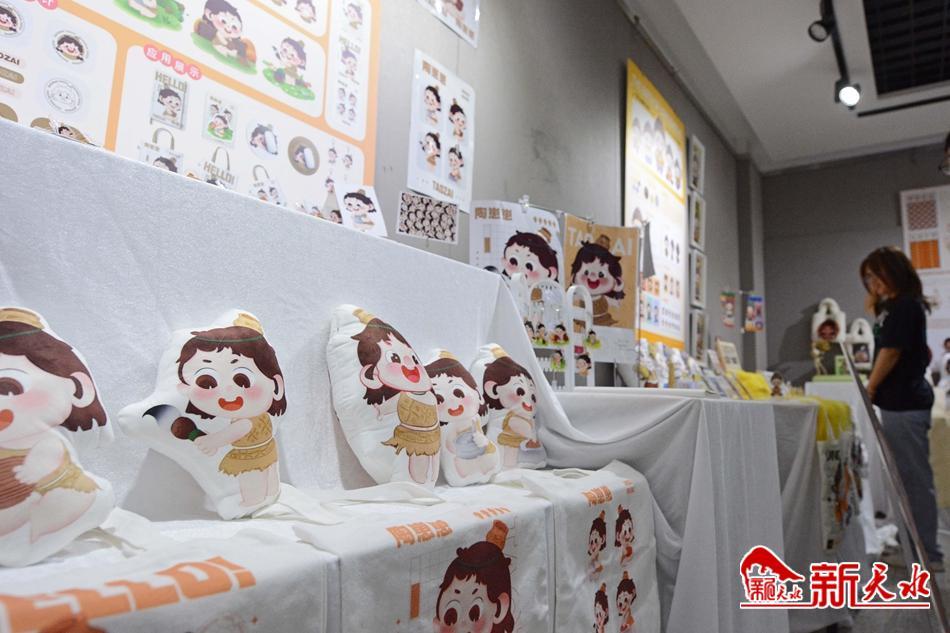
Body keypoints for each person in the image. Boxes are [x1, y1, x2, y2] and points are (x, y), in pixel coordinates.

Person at [860, 246, 943, 571]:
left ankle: (928, 554)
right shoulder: (894, 306)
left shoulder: (905, 306)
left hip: (905, 403)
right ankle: (913, 546)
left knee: (913, 479)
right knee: (904, 478)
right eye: (868, 277)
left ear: (893, 271)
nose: (872, 282)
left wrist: (870, 386)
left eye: (876, 274)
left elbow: (891, 351)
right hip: (898, 402)